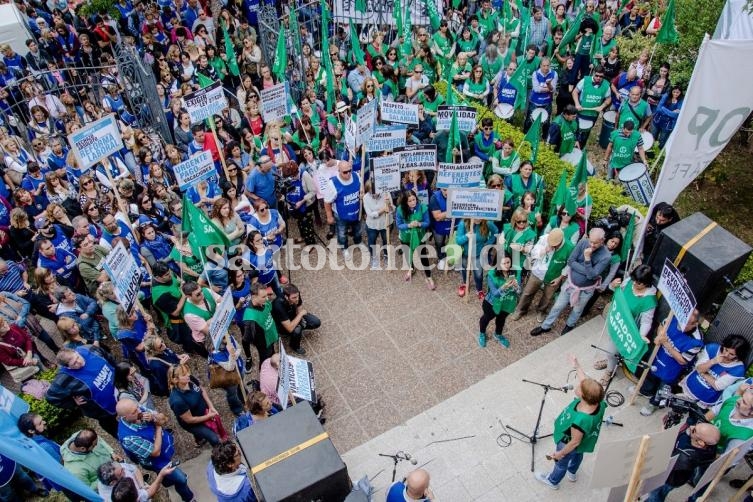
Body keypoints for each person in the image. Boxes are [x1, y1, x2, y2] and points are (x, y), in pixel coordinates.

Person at [534, 355, 606, 490]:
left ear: (583, 396)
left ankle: (553, 480)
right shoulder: (599, 402)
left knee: (561, 463)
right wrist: (577, 366)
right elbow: (586, 382)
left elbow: (574, 442)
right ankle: (572, 472)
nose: (578, 385)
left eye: (579, 387)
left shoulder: (580, 420)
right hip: (584, 442)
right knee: (578, 455)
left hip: (568, 442)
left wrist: (560, 454)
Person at [531, 228, 611, 336]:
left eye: (595, 243)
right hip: (570, 283)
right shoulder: (583, 242)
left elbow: (592, 275)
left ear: (602, 240)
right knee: (557, 306)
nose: (592, 245)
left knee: (577, 310)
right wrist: (586, 271)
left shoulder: (606, 256)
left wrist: (587, 259)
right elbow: (571, 261)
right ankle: (546, 326)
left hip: (586, 290)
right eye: (590, 241)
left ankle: (570, 325)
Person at [115, 399, 195, 502]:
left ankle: (167, 481)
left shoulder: (138, 409)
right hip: (155, 461)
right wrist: (158, 427)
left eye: (137, 407)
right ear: (125, 417)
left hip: (163, 450)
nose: (139, 411)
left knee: (167, 476)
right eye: (134, 412)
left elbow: (164, 418)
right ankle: (188, 498)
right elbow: (155, 452)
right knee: (181, 479)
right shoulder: (128, 437)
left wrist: (154, 417)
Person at [634, 310, 703, 416]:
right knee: (650, 374)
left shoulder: (696, 341)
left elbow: (682, 360)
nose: (682, 324)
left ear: (695, 324)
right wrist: (659, 335)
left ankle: (653, 404)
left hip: (672, 367)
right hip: (659, 355)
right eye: (682, 320)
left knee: (663, 388)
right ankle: (645, 391)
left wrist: (666, 344)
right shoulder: (674, 317)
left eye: (687, 323)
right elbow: (662, 326)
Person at [46, 346, 119, 438]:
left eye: (77, 357)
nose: (79, 362)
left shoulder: (88, 349)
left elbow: (108, 357)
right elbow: (51, 397)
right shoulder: (64, 379)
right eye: (74, 363)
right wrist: (73, 403)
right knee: (112, 426)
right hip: (102, 410)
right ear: (67, 367)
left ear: (76, 352)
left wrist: (121, 373)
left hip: (118, 391)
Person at [645, 423, 720, 502]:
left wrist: (663, 436)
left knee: (657, 493)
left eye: (694, 430)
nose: (691, 427)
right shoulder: (709, 445)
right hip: (681, 475)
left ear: (701, 443)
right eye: (695, 425)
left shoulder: (686, 458)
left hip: (669, 478)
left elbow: (665, 459)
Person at [510, 228, 573, 322]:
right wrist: (544, 250)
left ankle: (541, 311)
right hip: (537, 272)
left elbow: (569, 265)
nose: (552, 245)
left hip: (554, 276)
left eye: (554, 245)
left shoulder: (570, 247)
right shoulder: (544, 238)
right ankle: (520, 310)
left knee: (547, 297)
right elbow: (533, 254)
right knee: (527, 292)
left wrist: (560, 278)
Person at [679, 334, 750, 409]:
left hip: (706, 400)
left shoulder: (738, 369)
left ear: (738, 356)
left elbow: (718, 386)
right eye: (726, 349)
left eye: (731, 354)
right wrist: (713, 361)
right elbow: (699, 368)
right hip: (690, 386)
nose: (726, 355)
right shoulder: (712, 348)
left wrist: (704, 374)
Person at [168, 363, 223, 446]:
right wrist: (208, 416)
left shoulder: (189, 379)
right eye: (184, 374)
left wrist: (211, 406)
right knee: (214, 439)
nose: (188, 375)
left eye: (187, 372)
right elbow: (190, 420)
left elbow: (202, 390)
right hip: (193, 424)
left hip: (203, 411)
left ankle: (198, 439)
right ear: (175, 380)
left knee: (203, 434)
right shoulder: (177, 401)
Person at [395, 189, 434, 289]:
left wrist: (419, 224)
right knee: (408, 253)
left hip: (419, 235)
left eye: (414, 199)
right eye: (410, 201)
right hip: (405, 236)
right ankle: (411, 269)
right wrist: (408, 225)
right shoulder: (400, 209)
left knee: (423, 255)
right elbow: (399, 225)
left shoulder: (423, 207)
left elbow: (427, 222)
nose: (413, 202)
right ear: (405, 202)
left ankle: (429, 276)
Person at [478, 255, 520, 349]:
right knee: (486, 318)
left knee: (501, 320)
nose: (506, 265)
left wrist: (517, 287)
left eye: (508, 262)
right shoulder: (491, 274)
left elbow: (518, 291)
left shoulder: (514, 272)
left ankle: (498, 334)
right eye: (503, 263)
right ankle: (482, 333)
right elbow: (495, 294)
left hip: (507, 303)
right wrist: (504, 286)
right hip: (492, 303)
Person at [323, 159, 362, 259]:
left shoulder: (356, 176)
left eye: (350, 170)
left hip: (356, 211)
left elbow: (362, 190)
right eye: (345, 172)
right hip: (341, 215)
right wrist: (329, 216)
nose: (348, 174)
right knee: (342, 233)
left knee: (357, 230)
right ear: (339, 171)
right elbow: (327, 201)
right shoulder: (332, 184)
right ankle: (344, 248)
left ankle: (358, 242)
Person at [272, 284, 321, 356]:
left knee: (316, 322)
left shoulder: (295, 295)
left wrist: (300, 318)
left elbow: (299, 308)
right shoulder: (278, 305)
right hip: (283, 325)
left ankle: (298, 329)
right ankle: (294, 346)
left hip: (293, 315)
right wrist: (300, 315)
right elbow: (289, 328)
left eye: (297, 296)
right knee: (296, 329)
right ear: (286, 297)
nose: (297, 299)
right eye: (294, 298)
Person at [97, 460, 176, 502]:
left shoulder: (118, 468)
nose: (125, 469)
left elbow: (134, 469)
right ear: (113, 483)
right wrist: (161, 474)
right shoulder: (120, 496)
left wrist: (142, 486)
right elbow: (149, 493)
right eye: (122, 472)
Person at [242, 282, 279, 370]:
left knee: (272, 353)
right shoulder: (250, 317)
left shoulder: (263, 302)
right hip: (263, 344)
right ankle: (264, 377)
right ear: (254, 297)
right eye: (263, 297)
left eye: (266, 296)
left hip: (271, 336)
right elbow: (247, 339)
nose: (267, 299)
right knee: (265, 361)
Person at [181, 280, 221, 358]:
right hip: (206, 338)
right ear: (188, 296)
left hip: (218, 326)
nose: (202, 295)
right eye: (198, 294)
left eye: (201, 291)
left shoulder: (206, 291)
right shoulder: (189, 314)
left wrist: (209, 321)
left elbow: (222, 301)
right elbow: (209, 332)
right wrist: (219, 313)